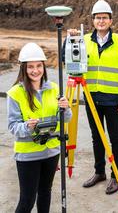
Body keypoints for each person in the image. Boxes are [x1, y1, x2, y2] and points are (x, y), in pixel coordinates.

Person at [68, 0, 118, 194]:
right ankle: (99, 172)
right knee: (97, 137)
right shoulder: (84, 39)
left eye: (104, 18)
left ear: (111, 20)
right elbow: (68, 59)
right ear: (93, 20)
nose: (101, 21)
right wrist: (69, 40)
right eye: (97, 18)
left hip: (113, 100)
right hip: (91, 97)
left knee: (115, 139)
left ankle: (115, 176)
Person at [7, 42, 72, 213]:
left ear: (44, 67)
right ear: (24, 68)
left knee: (45, 193)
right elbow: (13, 126)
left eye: (38, 66)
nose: (35, 70)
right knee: (27, 200)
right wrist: (27, 127)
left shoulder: (54, 89)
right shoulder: (15, 93)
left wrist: (66, 108)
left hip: (51, 152)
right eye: (30, 67)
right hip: (28, 155)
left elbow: (65, 119)